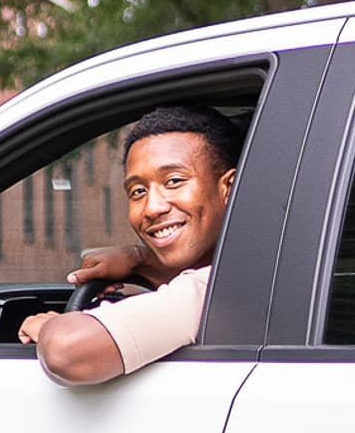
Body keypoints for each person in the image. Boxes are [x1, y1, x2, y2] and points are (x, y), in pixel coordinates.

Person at [17, 104, 242, 384]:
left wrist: (51, 325)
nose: (152, 208)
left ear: (230, 188)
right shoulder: (267, 270)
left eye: (174, 181)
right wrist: (141, 259)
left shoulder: (218, 290)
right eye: (138, 191)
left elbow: (67, 351)